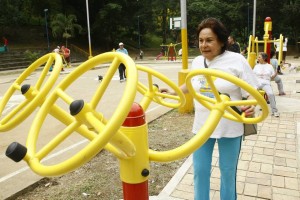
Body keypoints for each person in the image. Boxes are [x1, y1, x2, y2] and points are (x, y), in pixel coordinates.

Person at [161, 18, 259, 200]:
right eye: (201, 40)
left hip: (230, 127)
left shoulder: (236, 60)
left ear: (221, 41)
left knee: (228, 174)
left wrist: (251, 105)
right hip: (202, 127)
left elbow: (253, 92)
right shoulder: (198, 61)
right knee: (200, 171)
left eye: (209, 40)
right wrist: (173, 92)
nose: (204, 45)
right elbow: (190, 85)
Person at [253, 52, 280, 117]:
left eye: (259, 57)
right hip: (257, 83)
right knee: (249, 93)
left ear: (264, 58)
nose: (258, 58)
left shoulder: (269, 66)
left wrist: (276, 72)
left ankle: (274, 111)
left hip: (266, 83)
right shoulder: (256, 66)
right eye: (258, 57)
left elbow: (272, 77)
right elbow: (252, 75)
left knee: (270, 94)